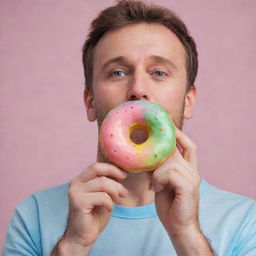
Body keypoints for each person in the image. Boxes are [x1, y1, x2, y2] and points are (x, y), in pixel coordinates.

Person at [3, 1, 256, 255]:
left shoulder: (245, 221)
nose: (138, 89)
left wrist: (187, 235)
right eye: (118, 73)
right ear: (90, 102)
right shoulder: (34, 216)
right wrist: (73, 245)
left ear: (188, 100)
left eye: (158, 72)